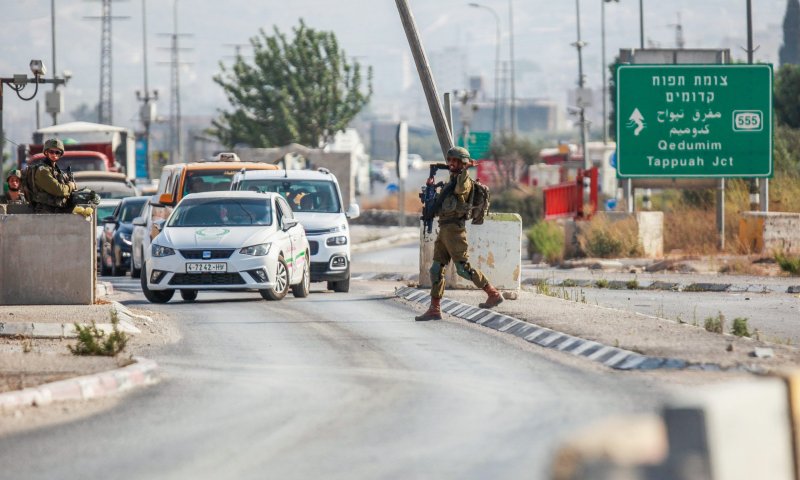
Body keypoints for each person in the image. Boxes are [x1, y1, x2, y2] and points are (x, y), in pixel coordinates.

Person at [415, 146, 503, 322]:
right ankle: (434, 308)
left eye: (456, 161)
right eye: (450, 160)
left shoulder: (463, 181)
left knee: (463, 268)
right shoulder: (451, 180)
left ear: (462, 163)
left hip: (455, 230)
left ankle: (492, 292)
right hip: (444, 228)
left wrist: (464, 170)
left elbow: (460, 191)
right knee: (436, 269)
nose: (451, 164)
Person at [28, 138, 77, 213]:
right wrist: (71, 185)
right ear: (46, 152)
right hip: (45, 212)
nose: (54, 154)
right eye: (51, 152)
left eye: (57, 152)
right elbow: (59, 190)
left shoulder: (56, 171)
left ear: (60, 154)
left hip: (58, 210)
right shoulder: (42, 170)